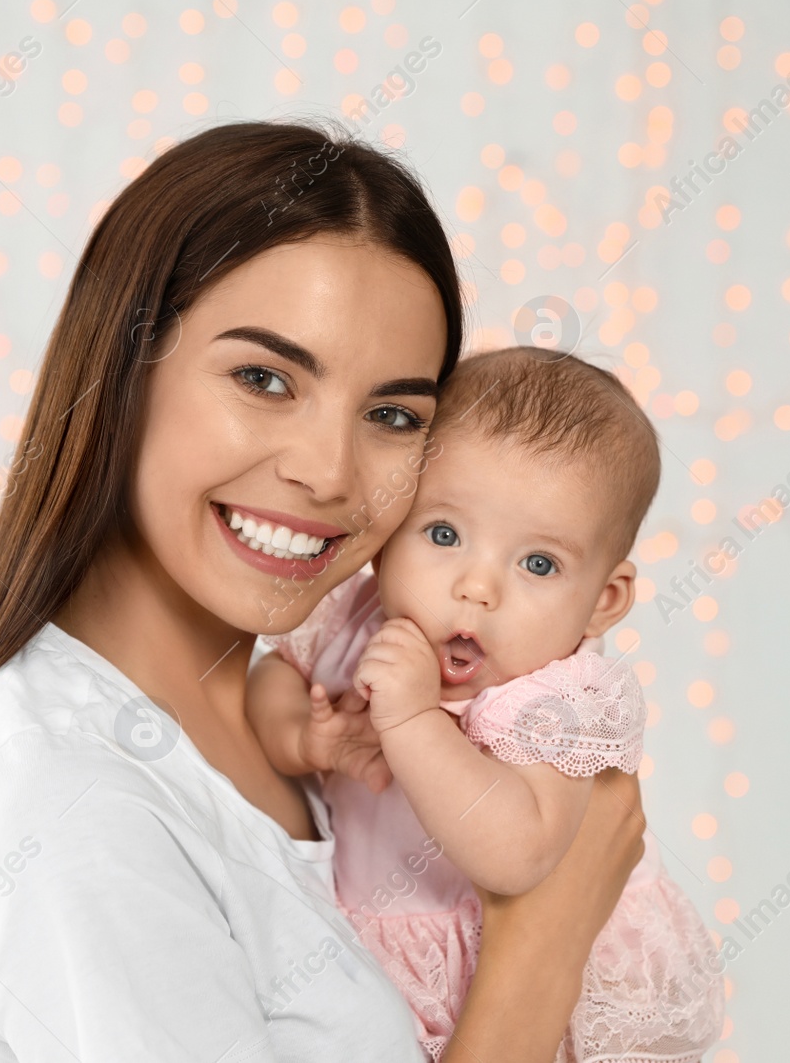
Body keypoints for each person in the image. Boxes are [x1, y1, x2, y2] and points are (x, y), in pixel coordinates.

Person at [0, 120, 649, 1062]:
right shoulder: (71, 806)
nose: (330, 472)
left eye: (393, 415)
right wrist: (542, 943)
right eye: (264, 377)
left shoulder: (308, 719)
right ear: (123, 373)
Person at [248, 346, 724, 1061]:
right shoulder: (360, 615)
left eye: (538, 563)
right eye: (443, 535)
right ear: (386, 536)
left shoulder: (561, 697)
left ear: (604, 601)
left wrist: (410, 721)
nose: (476, 587)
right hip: (377, 958)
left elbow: (518, 854)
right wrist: (306, 738)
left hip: (526, 988)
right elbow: (271, 681)